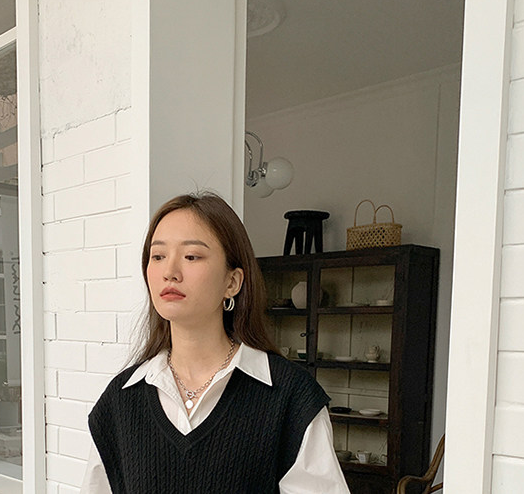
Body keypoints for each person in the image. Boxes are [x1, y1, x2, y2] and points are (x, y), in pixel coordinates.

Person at [80, 192, 349, 492]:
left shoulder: (290, 399)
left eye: (191, 256)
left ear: (232, 282)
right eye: (158, 256)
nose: (170, 272)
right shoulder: (119, 403)